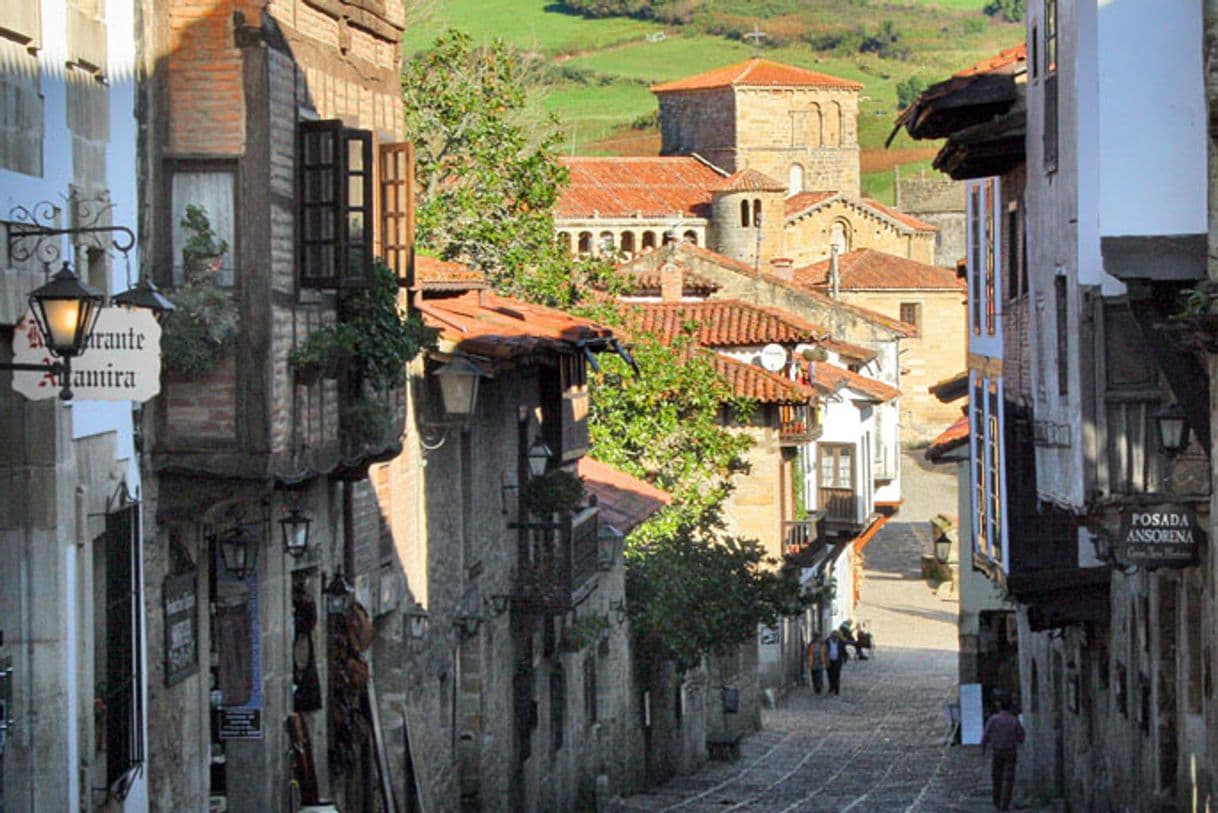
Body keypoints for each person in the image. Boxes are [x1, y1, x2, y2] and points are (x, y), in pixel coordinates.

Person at [981, 697, 1026, 810]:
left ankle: (997, 801)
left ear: (999, 706)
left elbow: (986, 735)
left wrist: (983, 748)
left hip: (997, 751)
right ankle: (1005, 803)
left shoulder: (993, 719)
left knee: (997, 777)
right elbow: (1021, 737)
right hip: (1010, 751)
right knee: (1008, 778)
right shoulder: (1014, 720)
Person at [825, 629, 848, 695]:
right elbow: (824, 650)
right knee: (830, 674)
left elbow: (844, 650)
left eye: (836, 637)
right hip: (829, 660)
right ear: (831, 636)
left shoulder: (840, 642)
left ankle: (836, 689)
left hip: (837, 660)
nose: (835, 638)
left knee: (837, 674)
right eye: (833, 637)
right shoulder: (827, 641)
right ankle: (831, 687)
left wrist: (845, 658)